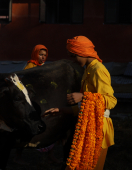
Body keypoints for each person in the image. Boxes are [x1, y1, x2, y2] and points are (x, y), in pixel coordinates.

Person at [44, 36, 117, 170]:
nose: (74, 60)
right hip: (88, 128)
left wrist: (83, 96)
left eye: (74, 56)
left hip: (98, 130)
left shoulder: (98, 70)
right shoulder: (88, 70)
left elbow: (111, 101)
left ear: (82, 52)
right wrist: (61, 110)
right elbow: (87, 108)